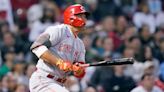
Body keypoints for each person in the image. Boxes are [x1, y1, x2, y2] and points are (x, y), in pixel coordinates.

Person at [29, 4, 89, 92]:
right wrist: (59, 63)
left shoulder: (80, 44)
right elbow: (36, 46)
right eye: (81, 16)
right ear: (71, 17)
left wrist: (78, 70)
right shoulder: (58, 30)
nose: (84, 19)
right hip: (43, 79)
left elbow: (80, 72)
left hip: (60, 83)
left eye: (85, 17)